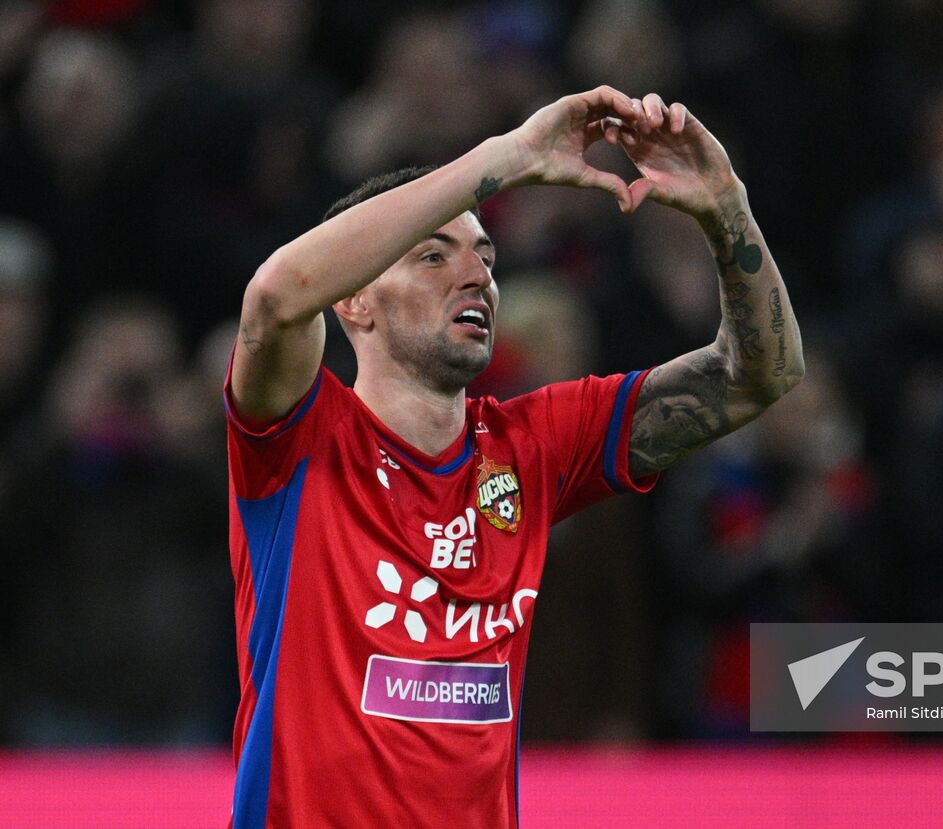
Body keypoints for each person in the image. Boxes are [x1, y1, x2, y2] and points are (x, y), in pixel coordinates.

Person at [224, 86, 803, 827]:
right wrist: (510, 156)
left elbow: (759, 376)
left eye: (485, 256)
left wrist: (725, 204)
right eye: (434, 255)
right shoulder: (297, 437)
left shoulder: (534, 445)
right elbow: (275, 296)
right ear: (355, 302)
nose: (476, 277)